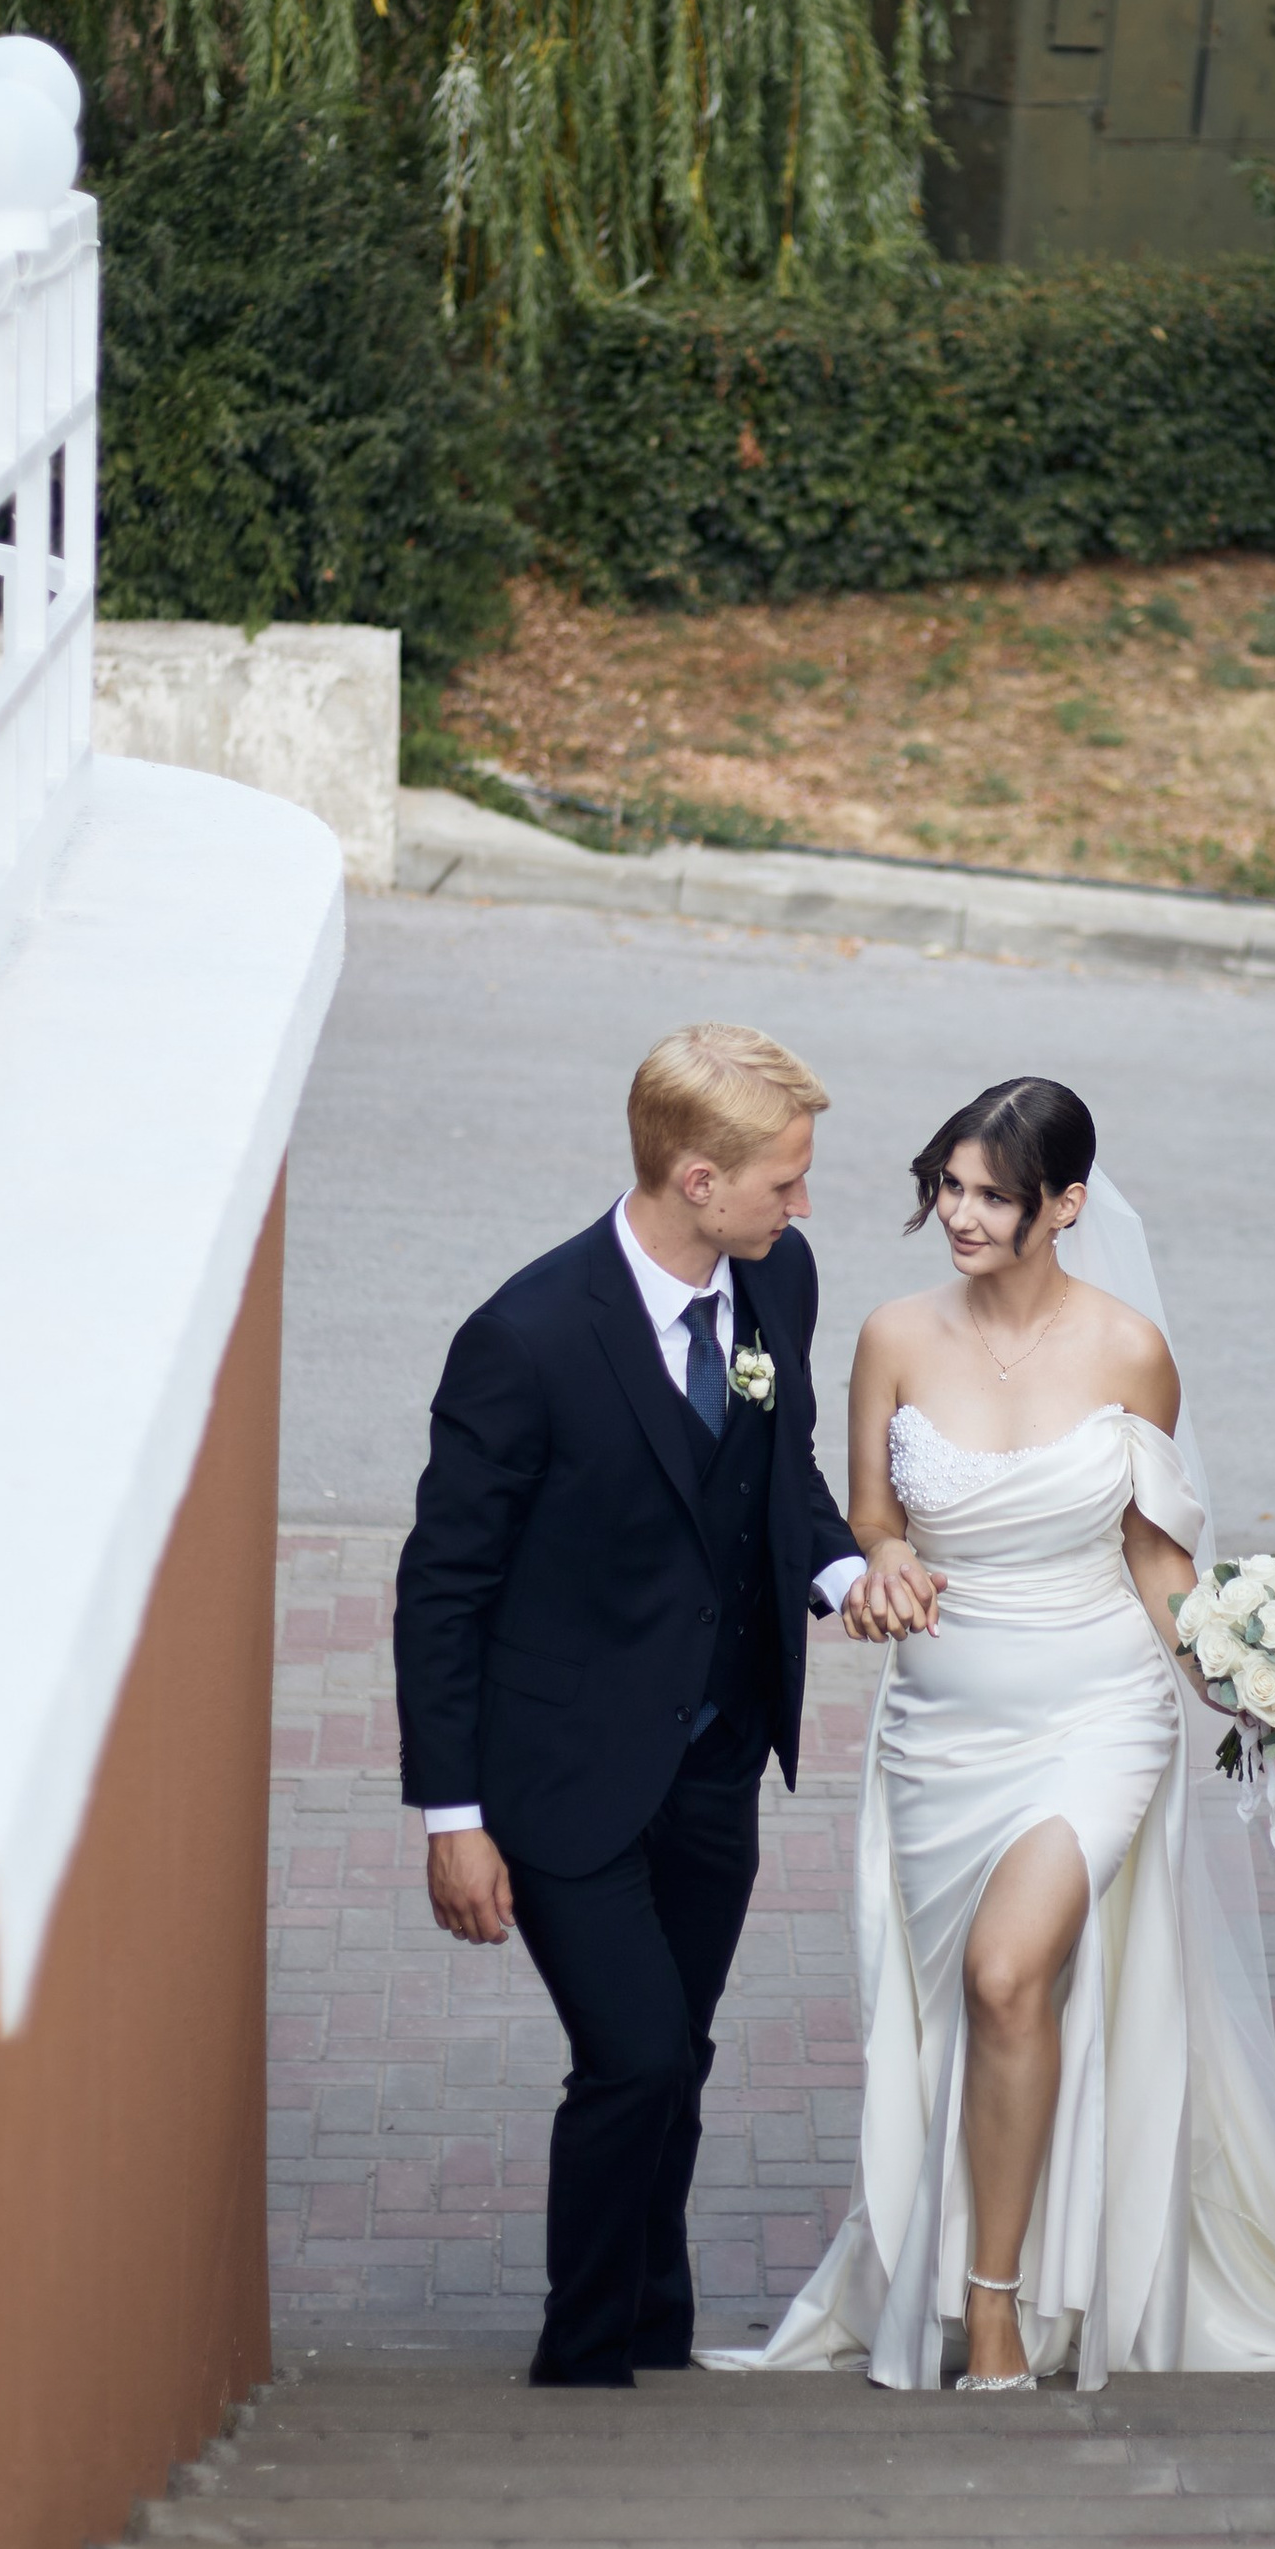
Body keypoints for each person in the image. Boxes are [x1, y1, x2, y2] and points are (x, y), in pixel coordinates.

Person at [704, 1075, 1275, 2393]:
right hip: (941, 1725)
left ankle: (995, 2308)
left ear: (1065, 1205)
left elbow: (1156, 1557)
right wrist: (881, 1564)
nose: (961, 1215)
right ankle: (954, 2264)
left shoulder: (1131, 1353)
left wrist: (1246, 1671)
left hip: (1100, 1709)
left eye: (993, 1196)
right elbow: (869, 1514)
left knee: (1008, 1975)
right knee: (957, 2009)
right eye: (948, 1187)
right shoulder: (895, 1335)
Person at [392, 1022, 938, 2387]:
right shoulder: (523, 1339)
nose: (804, 1205)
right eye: (784, 1180)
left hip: (714, 1760)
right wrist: (453, 1817)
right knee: (632, 2057)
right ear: (700, 1181)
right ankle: (582, 2360)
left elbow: (780, 1469)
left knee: (676, 2054)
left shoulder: (776, 1278)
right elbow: (441, 1592)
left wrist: (845, 1571)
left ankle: (652, 2328)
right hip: (561, 1773)